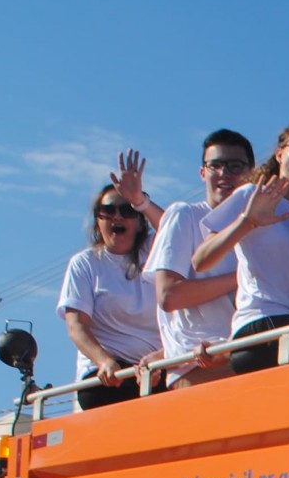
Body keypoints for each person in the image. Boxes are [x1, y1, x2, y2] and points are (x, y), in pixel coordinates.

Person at [194, 121, 289, 375]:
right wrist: (249, 221)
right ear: (280, 153)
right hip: (263, 329)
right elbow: (201, 260)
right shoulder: (251, 195)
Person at [146, 129, 255, 387]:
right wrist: (241, 278)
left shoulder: (258, 225)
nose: (224, 174)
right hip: (197, 366)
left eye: (235, 167)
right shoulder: (183, 215)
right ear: (202, 172)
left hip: (249, 356)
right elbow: (169, 295)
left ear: (251, 172)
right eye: (215, 165)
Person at [58, 179, 161, 410]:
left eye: (127, 210)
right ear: (98, 219)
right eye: (108, 211)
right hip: (108, 375)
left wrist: (140, 200)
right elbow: (76, 325)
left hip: (156, 366)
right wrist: (105, 361)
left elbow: (178, 229)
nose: (118, 217)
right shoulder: (84, 263)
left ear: (138, 220)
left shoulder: (155, 250)